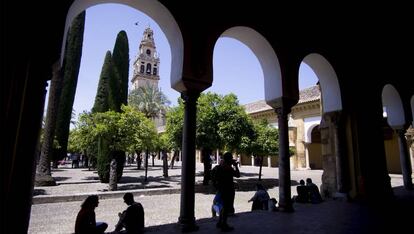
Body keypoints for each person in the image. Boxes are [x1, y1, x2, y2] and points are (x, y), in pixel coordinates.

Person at [211, 152, 240, 231]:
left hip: (220, 189)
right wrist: (236, 166)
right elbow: (238, 175)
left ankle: (220, 222)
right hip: (227, 190)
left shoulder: (220, 166)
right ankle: (224, 224)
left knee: (223, 207)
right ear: (229, 159)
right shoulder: (228, 168)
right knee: (226, 208)